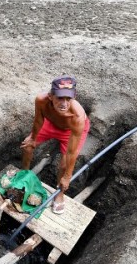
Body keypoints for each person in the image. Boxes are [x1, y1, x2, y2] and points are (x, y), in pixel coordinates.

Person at [20, 75, 90, 214]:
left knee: (64, 165)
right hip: (51, 124)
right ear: (51, 96)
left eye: (68, 98)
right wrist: (33, 138)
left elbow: (72, 152)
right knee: (28, 146)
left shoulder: (78, 117)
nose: (64, 103)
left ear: (74, 96)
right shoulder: (41, 100)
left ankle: (59, 194)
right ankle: (24, 176)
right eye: (60, 98)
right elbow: (39, 120)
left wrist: (67, 177)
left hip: (70, 132)